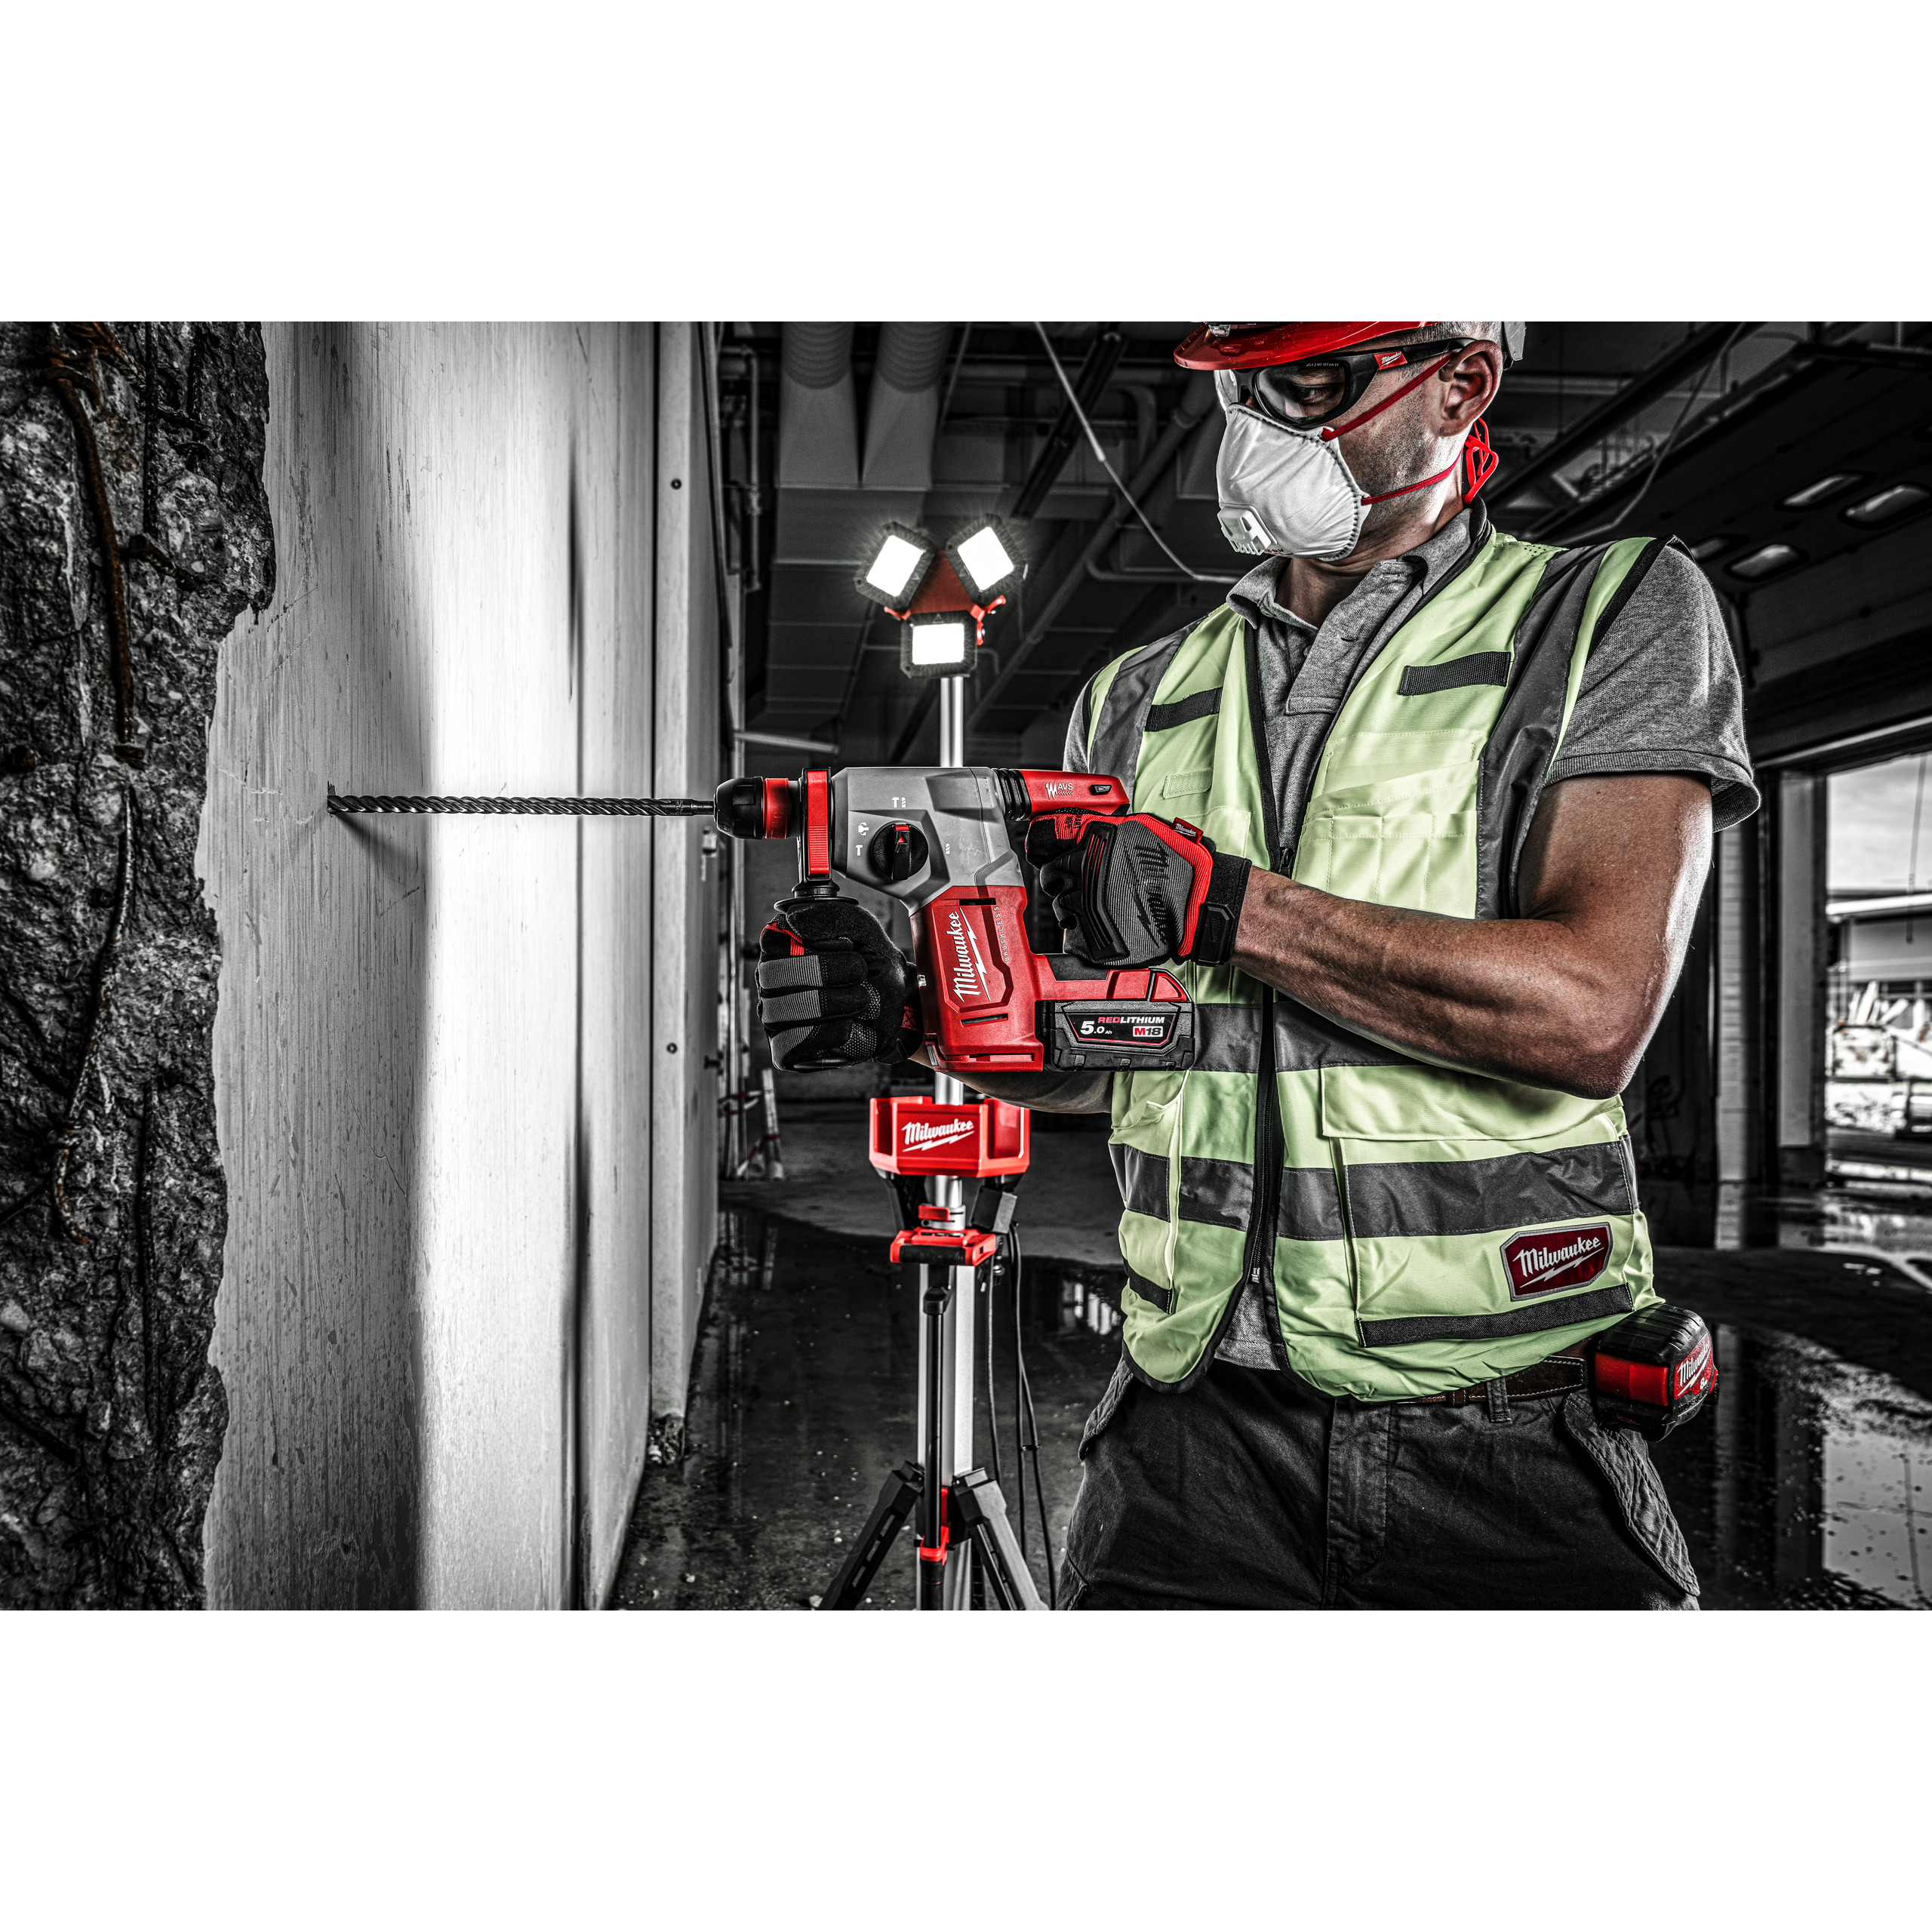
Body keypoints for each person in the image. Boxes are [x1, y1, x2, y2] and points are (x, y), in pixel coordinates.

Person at [759, 322, 1758, 1609]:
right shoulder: (1137, 693)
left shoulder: (1605, 614)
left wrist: (1229, 906)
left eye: (1312, 381)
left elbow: (1593, 1013)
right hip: (1188, 1439)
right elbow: (1123, 1056)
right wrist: (928, 1018)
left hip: (1509, 1440)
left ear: (1460, 384)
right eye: (1240, 390)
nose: (1255, 430)